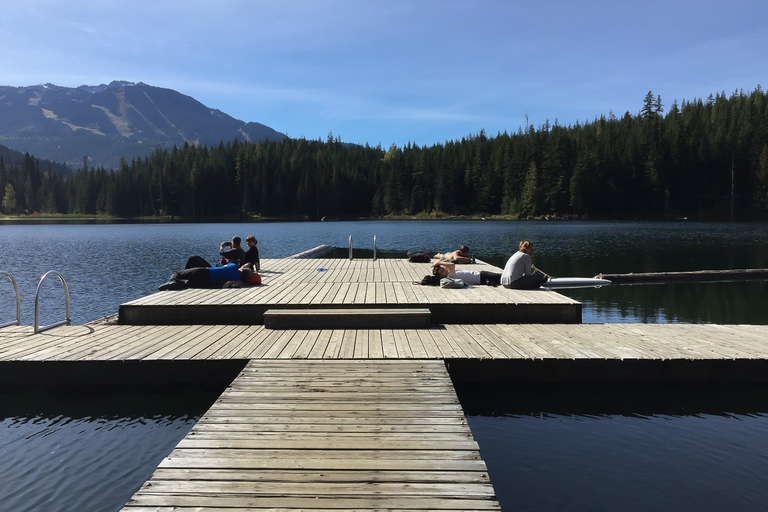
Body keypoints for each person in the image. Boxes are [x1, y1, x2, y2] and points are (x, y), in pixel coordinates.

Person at [158, 261, 255, 290]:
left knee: (178, 273)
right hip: (206, 283)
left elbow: (224, 265)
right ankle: (179, 284)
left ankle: (173, 281)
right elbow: (241, 282)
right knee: (188, 283)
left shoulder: (234, 266)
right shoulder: (239, 280)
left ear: (242, 269)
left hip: (205, 272)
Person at [421, 260, 501, 286]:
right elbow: (452, 264)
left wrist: (437, 264)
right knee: (502, 277)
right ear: (441, 275)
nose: (444, 269)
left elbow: (448, 261)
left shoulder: (448, 273)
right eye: (442, 271)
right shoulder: (449, 276)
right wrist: (438, 263)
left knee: (502, 278)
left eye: (443, 268)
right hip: (482, 277)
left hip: (481, 276)